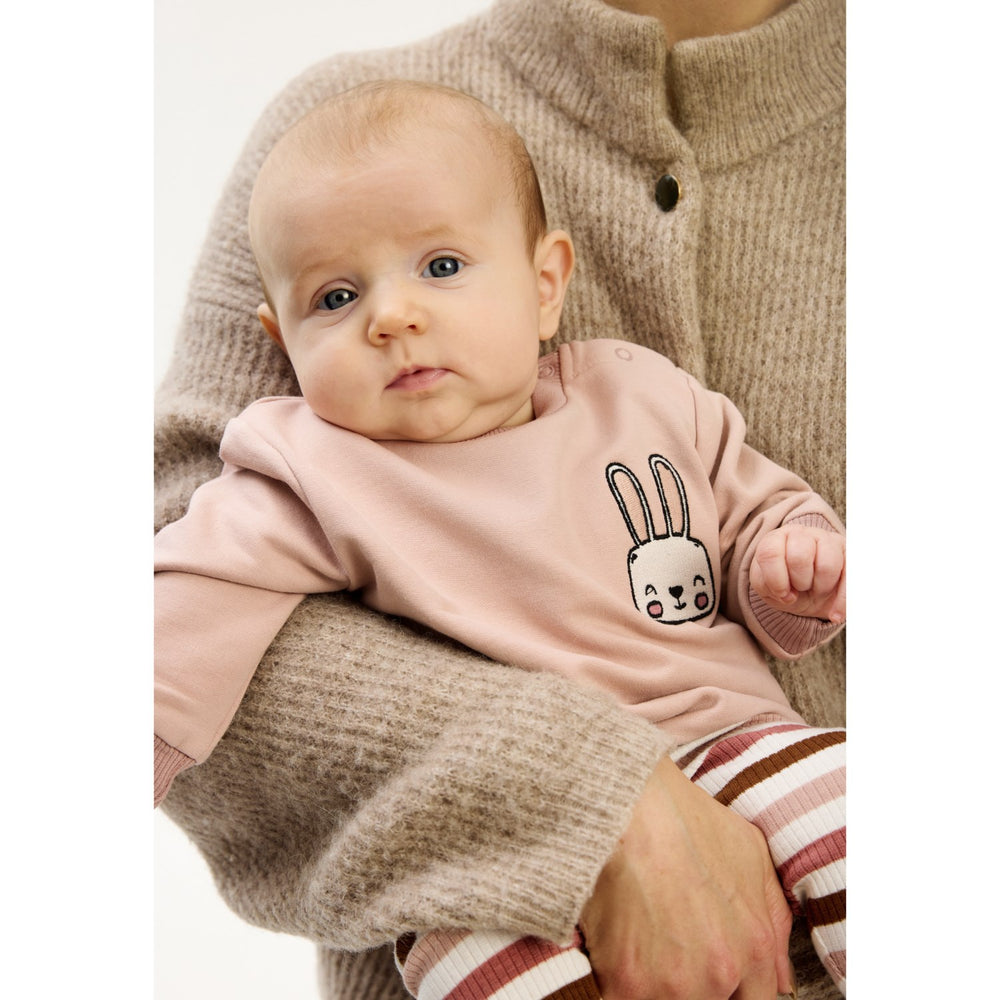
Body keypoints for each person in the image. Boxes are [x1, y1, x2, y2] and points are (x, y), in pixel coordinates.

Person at [154, 1, 845, 998]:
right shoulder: (306, 472)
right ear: (281, 338)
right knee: (467, 961)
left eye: (441, 267)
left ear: (547, 283)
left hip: (742, 739)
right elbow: (176, 609)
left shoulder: (632, 394)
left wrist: (792, 573)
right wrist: (579, 796)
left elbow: (753, 512)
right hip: (488, 881)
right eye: (336, 299)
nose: (393, 316)